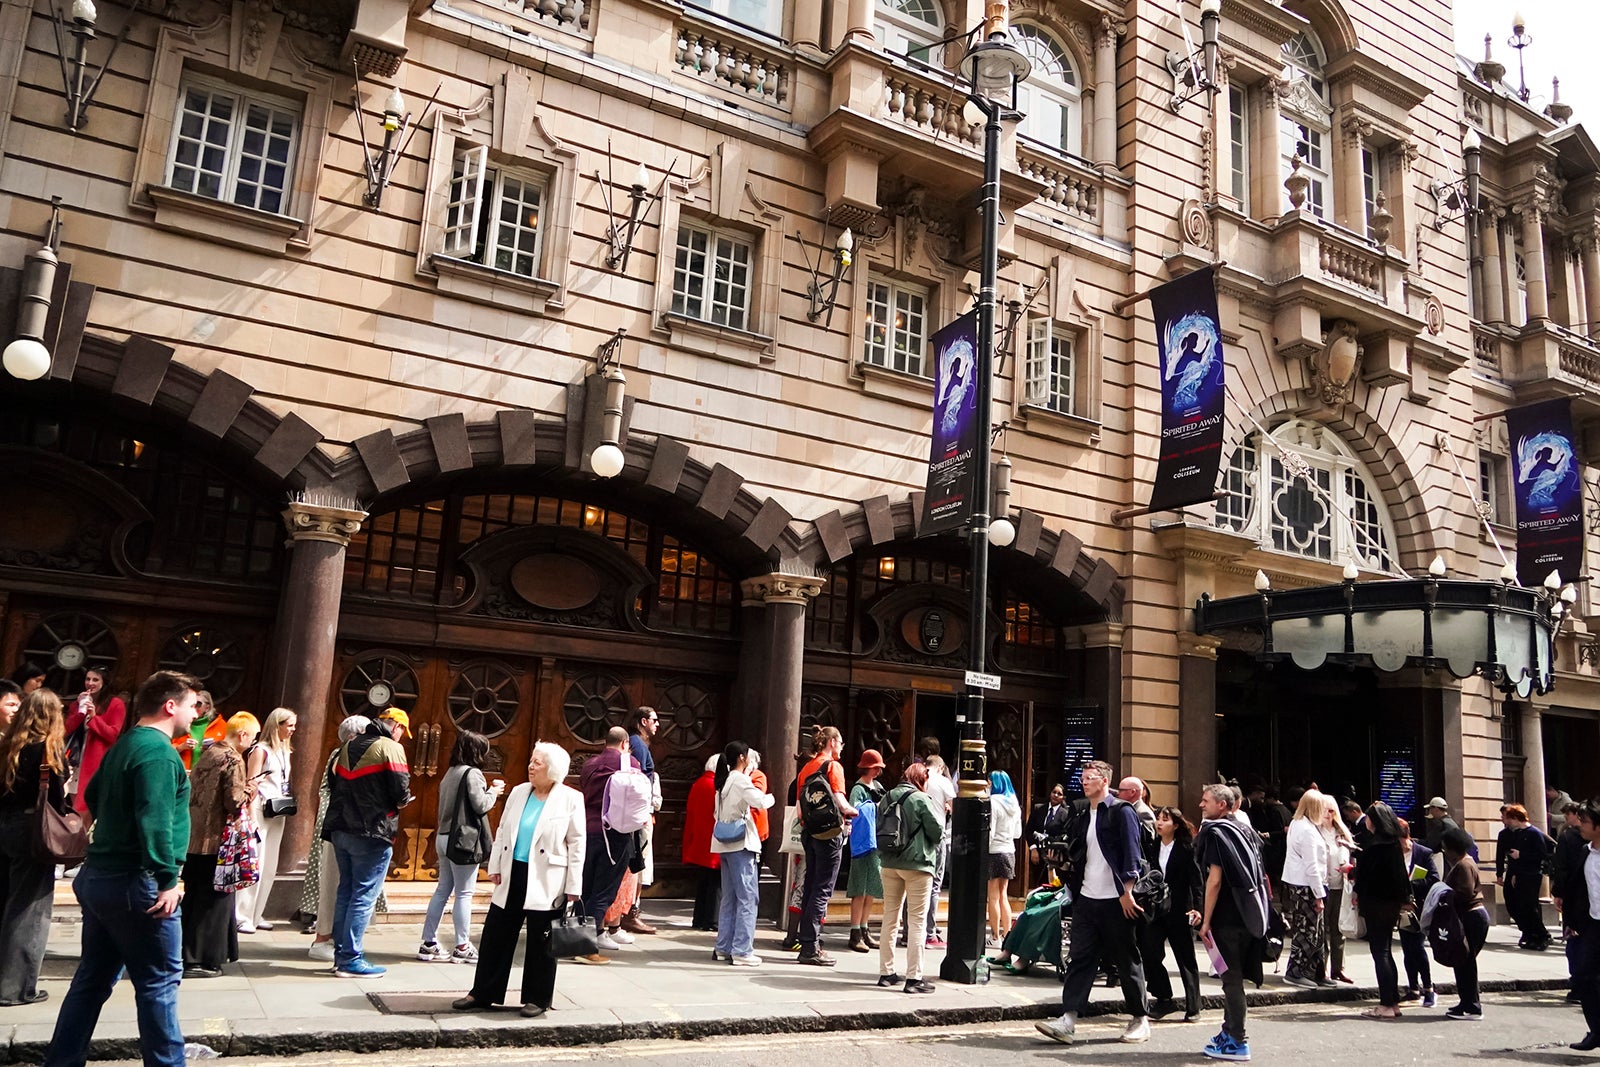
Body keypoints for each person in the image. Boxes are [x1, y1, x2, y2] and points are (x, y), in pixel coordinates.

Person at [42, 670, 200, 1067]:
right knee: (159, 982)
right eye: (192, 704)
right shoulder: (159, 753)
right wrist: (168, 878)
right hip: (138, 880)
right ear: (170, 705)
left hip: (100, 874)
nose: (195, 712)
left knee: (92, 979)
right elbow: (156, 818)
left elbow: (91, 793)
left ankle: (62, 1060)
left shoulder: (126, 744)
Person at [453, 742, 585, 1017]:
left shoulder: (571, 799)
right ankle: (483, 992)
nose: (531, 766)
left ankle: (537, 998)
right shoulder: (519, 792)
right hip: (513, 872)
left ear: (553, 769)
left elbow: (577, 844)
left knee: (542, 939)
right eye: (532, 760)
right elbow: (502, 831)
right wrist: (496, 866)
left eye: (538, 762)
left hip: (549, 879)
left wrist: (574, 887)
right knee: (496, 934)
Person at [1036, 760, 1150, 1046]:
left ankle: (1140, 1019)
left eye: (1090, 777)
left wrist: (1127, 891)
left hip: (1116, 900)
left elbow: (1132, 854)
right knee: (1080, 959)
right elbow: (1080, 852)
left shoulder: (1121, 812)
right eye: (1083, 777)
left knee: (1126, 960)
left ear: (1105, 781)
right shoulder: (1083, 813)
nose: (1084, 782)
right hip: (1087, 898)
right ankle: (1068, 1020)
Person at [324, 711, 412, 978]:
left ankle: (341, 955)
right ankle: (351, 959)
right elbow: (401, 792)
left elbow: (332, 781)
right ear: (395, 726)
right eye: (402, 731)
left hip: (341, 827)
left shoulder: (348, 745)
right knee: (363, 896)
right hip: (372, 830)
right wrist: (403, 801)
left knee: (346, 891)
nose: (401, 737)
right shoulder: (391, 748)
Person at [0, 688, 68, 1004]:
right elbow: (57, 800)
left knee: (9, 901)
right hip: (33, 830)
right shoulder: (47, 750)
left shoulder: (8, 746)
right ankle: (17, 987)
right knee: (30, 908)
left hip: (6, 826)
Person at [1195, 782, 1268, 1062]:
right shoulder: (1245, 830)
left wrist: (1205, 921)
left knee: (1231, 980)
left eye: (1206, 801)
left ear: (1222, 805)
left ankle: (1238, 1040)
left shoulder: (1215, 833)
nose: (1201, 805)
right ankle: (1228, 1032)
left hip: (1226, 918)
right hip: (1249, 914)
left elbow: (1214, 881)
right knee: (1233, 979)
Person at [181, 712, 258, 978]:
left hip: (194, 839)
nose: (252, 742)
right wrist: (252, 788)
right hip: (217, 841)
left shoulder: (209, 753)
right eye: (252, 737)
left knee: (193, 897)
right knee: (215, 900)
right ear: (242, 735)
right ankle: (201, 959)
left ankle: (186, 953)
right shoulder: (233, 758)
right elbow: (234, 800)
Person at [418, 729, 505, 964]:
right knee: (464, 893)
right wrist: (493, 792)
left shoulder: (450, 773)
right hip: (462, 841)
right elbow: (480, 805)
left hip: (444, 837)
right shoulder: (472, 774)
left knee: (442, 890)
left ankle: (428, 943)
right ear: (477, 752)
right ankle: (462, 946)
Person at [302, 715, 375, 961]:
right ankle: (324, 937)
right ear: (354, 736)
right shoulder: (343, 755)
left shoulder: (344, 753)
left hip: (340, 823)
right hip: (340, 825)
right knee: (334, 882)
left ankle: (336, 937)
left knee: (343, 883)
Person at [876, 762, 944, 994]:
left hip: (889, 863)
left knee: (890, 917)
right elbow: (937, 832)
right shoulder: (921, 800)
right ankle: (914, 978)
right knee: (916, 921)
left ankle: (886, 973)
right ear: (920, 779)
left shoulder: (887, 796)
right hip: (917, 865)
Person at [578, 727, 642, 960]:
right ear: (625, 743)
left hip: (586, 829)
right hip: (614, 833)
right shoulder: (630, 764)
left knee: (585, 887)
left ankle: (576, 939)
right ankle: (587, 946)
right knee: (605, 889)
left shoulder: (589, 764)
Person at [795, 725, 857, 966]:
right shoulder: (833, 766)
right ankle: (811, 946)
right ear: (831, 741)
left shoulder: (806, 769)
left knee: (811, 886)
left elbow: (800, 806)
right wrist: (854, 812)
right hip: (830, 834)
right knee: (823, 889)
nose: (841, 747)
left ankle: (807, 941)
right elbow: (841, 801)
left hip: (809, 832)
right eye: (840, 742)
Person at [711, 740, 774, 967]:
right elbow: (760, 801)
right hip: (740, 844)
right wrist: (771, 798)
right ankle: (742, 950)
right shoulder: (740, 779)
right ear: (741, 758)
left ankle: (723, 946)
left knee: (729, 897)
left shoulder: (723, 780)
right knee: (748, 898)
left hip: (724, 844)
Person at [235, 706, 295, 934]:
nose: (292, 729)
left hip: (277, 810)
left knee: (269, 864)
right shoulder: (260, 750)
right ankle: (242, 915)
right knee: (255, 862)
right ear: (276, 725)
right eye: (289, 725)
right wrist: (250, 814)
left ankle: (257, 912)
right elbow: (251, 782)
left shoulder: (285, 751)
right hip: (260, 808)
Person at [1142, 805, 1203, 1022]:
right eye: (1158, 818)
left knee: (1185, 957)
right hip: (1157, 910)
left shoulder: (1187, 848)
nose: (1159, 823)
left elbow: (1197, 882)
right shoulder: (1153, 845)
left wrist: (1198, 908)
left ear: (1175, 825)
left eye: (1165, 819)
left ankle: (1193, 1005)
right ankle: (1163, 998)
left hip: (1180, 909)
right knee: (1149, 952)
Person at [1354, 801, 1411, 1019]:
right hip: (1391, 904)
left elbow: (1364, 880)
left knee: (1380, 953)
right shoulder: (1393, 844)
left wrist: (1354, 873)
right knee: (1386, 951)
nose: (1366, 821)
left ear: (1374, 821)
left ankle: (1386, 1004)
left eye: (1368, 817)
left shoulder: (1375, 847)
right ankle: (1393, 1002)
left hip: (1376, 903)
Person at [1280, 788, 1331, 988]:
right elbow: (1312, 866)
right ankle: (1296, 971)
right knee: (1308, 931)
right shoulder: (1308, 831)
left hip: (1299, 883)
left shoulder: (1297, 823)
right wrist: (1319, 895)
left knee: (1315, 931)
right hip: (1307, 886)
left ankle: (1316, 972)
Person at [620, 705, 662, 936]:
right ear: (643, 721)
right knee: (637, 861)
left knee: (638, 861)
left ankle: (629, 911)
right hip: (638, 813)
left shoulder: (639, 745)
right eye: (655, 720)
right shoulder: (637, 744)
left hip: (639, 810)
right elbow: (639, 779)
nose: (657, 725)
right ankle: (629, 913)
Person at [1562, 799, 1600, 1050]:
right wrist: (1571, 921)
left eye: (1585, 822)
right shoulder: (1586, 851)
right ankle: (1597, 1031)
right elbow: (1576, 888)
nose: (1580, 825)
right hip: (1592, 925)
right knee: (1584, 978)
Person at [69, 666, 126, 817]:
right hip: (74, 756)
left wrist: (94, 717)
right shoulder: (77, 703)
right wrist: (79, 710)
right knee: (72, 802)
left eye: (95, 680)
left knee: (86, 805)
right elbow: (66, 729)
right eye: (88, 679)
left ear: (104, 682)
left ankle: (80, 839)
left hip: (95, 758)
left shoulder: (116, 704)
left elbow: (112, 734)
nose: (90, 683)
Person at [1498, 802, 1554, 951]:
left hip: (1531, 874)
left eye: (1509, 818)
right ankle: (1529, 933)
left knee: (1529, 906)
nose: (1507, 822)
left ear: (1516, 818)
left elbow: (1542, 855)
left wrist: (1521, 855)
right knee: (1517, 905)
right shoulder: (1514, 834)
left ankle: (1541, 935)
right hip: (1518, 873)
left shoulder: (1534, 833)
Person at [846, 748, 886, 953]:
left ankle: (864, 927)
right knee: (859, 888)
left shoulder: (877, 786)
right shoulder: (858, 789)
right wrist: (873, 806)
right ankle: (854, 932)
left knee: (871, 887)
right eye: (876, 767)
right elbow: (854, 812)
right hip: (862, 842)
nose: (879, 771)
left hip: (876, 842)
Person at [1396, 819, 1438, 1007]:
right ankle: (1413, 989)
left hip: (1419, 908)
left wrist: (1411, 883)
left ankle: (1428, 989)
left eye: (1400, 842)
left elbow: (1434, 879)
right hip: (1402, 909)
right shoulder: (1393, 854)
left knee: (1418, 948)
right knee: (1407, 948)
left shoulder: (1423, 853)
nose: (1399, 846)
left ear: (1406, 836)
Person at [1319, 793, 1357, 984]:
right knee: (1322, 930)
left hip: (1340, 886)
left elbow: (1352, 857)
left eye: (1331, 810)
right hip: (1322, 886)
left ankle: (1338, 968)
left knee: (1338, 929)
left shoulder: (1342, 832)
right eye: (1324, 810)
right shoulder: (1315, 831)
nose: (1328, 814)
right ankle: (1322, 968)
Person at [920, 752, 957, 946]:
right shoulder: (943, 782)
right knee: (934, 885)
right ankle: (929, 933)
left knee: (915, 884)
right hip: (937, 836)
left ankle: (910, 932)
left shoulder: (917, 777)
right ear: (941, 768)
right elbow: (953, 807)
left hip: (917, 837)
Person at [1555, 801, 1589, 1002]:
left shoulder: (1567, 837)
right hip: (1577, 898)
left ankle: (1578, 985)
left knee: (1574, 941)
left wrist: (1559, 893)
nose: (1567, 820)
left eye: (1569, 815)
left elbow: (1561, 868)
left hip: (1574, 898)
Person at [683, 753, 720, 931]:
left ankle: (699, 918)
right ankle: (711, 920)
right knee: (715, 882)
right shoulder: (716, 786)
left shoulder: (699, 783)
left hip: (700, 836)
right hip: (713, 838)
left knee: (704, 881)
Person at [987, 770, 1023, 947]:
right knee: (1003, 895)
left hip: (994, 851)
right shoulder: (1014, 803)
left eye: (990, 782)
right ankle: (1007, 935)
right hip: (1010, 850)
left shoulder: (993, 802)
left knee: (992, 897)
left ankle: (994, 937)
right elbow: (1017, 833)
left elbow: (990, 832)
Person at [1027, 782, 1071, 883]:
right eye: (1054, 792)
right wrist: (1033, 849)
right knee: (1038, 884)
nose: (1055, 795)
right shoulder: (1038, 809)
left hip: (1055, 856)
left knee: (1053, 884)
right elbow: (1029, 830)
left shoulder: (1065, 814)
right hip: (1038, 853)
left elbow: (1066, 835)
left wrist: (1055, 850)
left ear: (1063, 797)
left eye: (1059, 794)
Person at [173, 691, 224, 771]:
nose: (195, 708)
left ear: (207, 707)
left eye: (198, 704)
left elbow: (228, 750)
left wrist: (213, 749)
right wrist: (181, 747)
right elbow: (166, 750)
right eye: (192, 705)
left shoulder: (219, 724)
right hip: (183, 772)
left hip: (209, 774)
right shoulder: (181, 722)